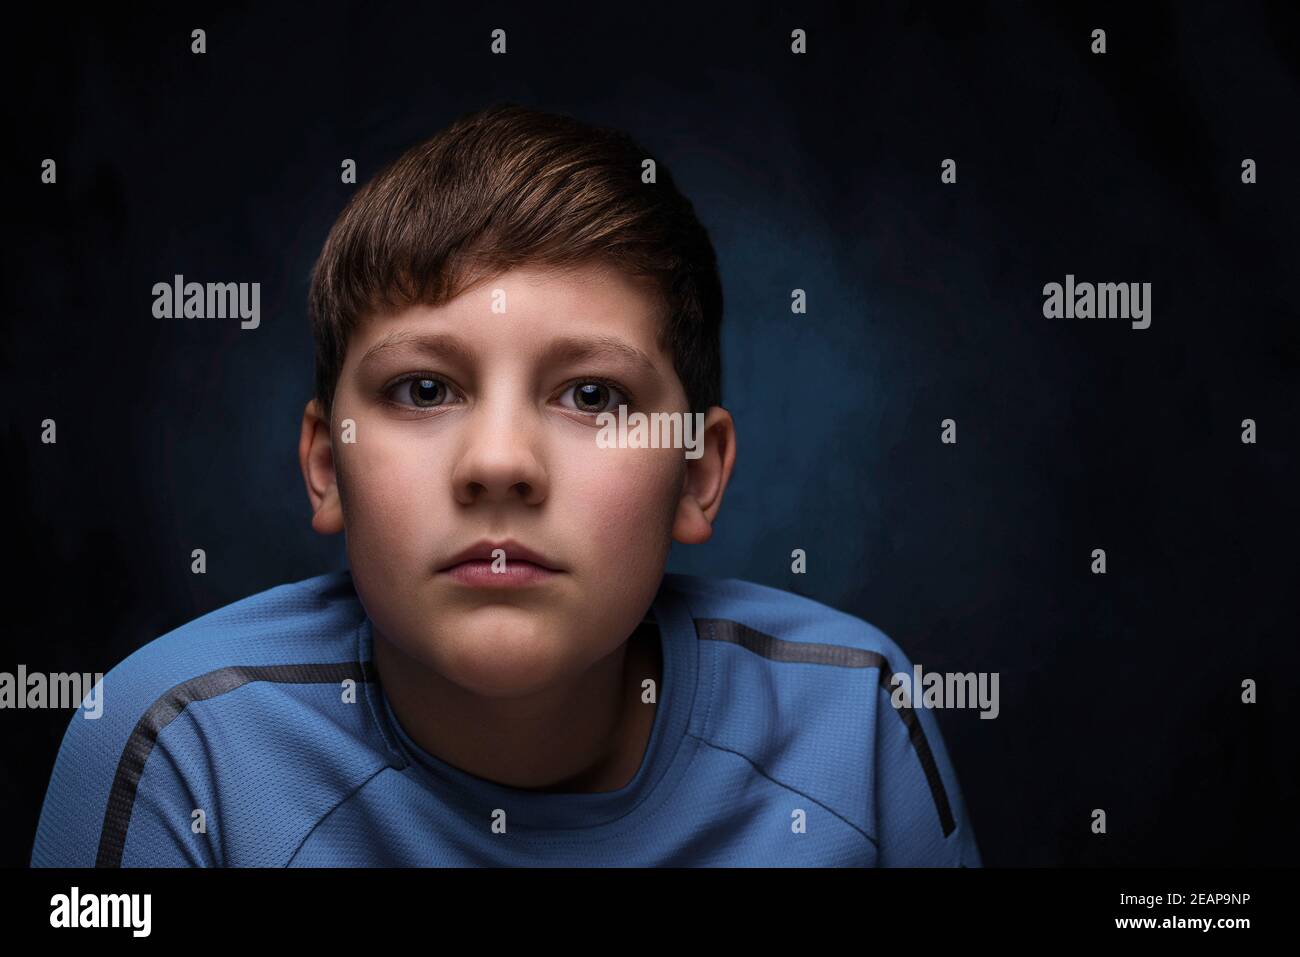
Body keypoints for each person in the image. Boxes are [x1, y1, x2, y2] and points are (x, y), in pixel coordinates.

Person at [32, 103, 981, 866]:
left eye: (592, 394)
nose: (499, 463)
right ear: (327, 466)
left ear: (697, 473)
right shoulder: (176, 750)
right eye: (425, 388)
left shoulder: (854, 718)